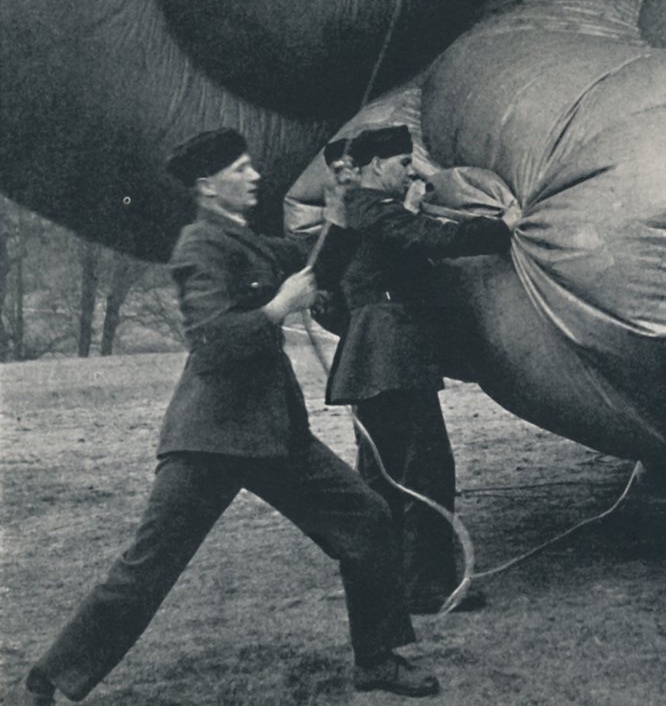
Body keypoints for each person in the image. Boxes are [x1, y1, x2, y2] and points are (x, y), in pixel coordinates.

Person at [21, 129, 439, 704]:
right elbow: (212, 339)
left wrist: (341, 208)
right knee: (149, 565)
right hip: (212, 439)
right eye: (241, 170)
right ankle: (51, 678)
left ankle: (377, 660)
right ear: (207, 187)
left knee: (366, 517)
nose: (254, 177)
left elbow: (319, 266)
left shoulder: (250, 241)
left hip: (276, 434)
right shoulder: (199, 246)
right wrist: (275, 309)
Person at [325, 125, 511, 614]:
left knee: (383, 479)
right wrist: (501, 228)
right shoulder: (370, 208)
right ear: (374, 167)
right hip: (392, 356)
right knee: (424, 470)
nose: (411, 169)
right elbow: (426, 237)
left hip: (376, 357)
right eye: (402, 162)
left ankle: (384, 584)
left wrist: (407, 205)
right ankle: (427, 587)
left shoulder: (368, 213)